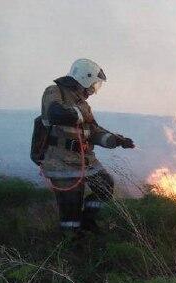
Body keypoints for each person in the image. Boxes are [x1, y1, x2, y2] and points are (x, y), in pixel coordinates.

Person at [38, 59, 135, 234]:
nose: (94, 90)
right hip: (61, 162)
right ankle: (72, 245)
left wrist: (117, 141)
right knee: (71, 211)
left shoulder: (83, 103)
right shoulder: (54, 91)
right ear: (85, 77)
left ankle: (88, 221)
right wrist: (81, 113)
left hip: (85, 160)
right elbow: (56, 114)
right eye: (94, 85)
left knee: (105, 185)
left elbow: (94, 132)